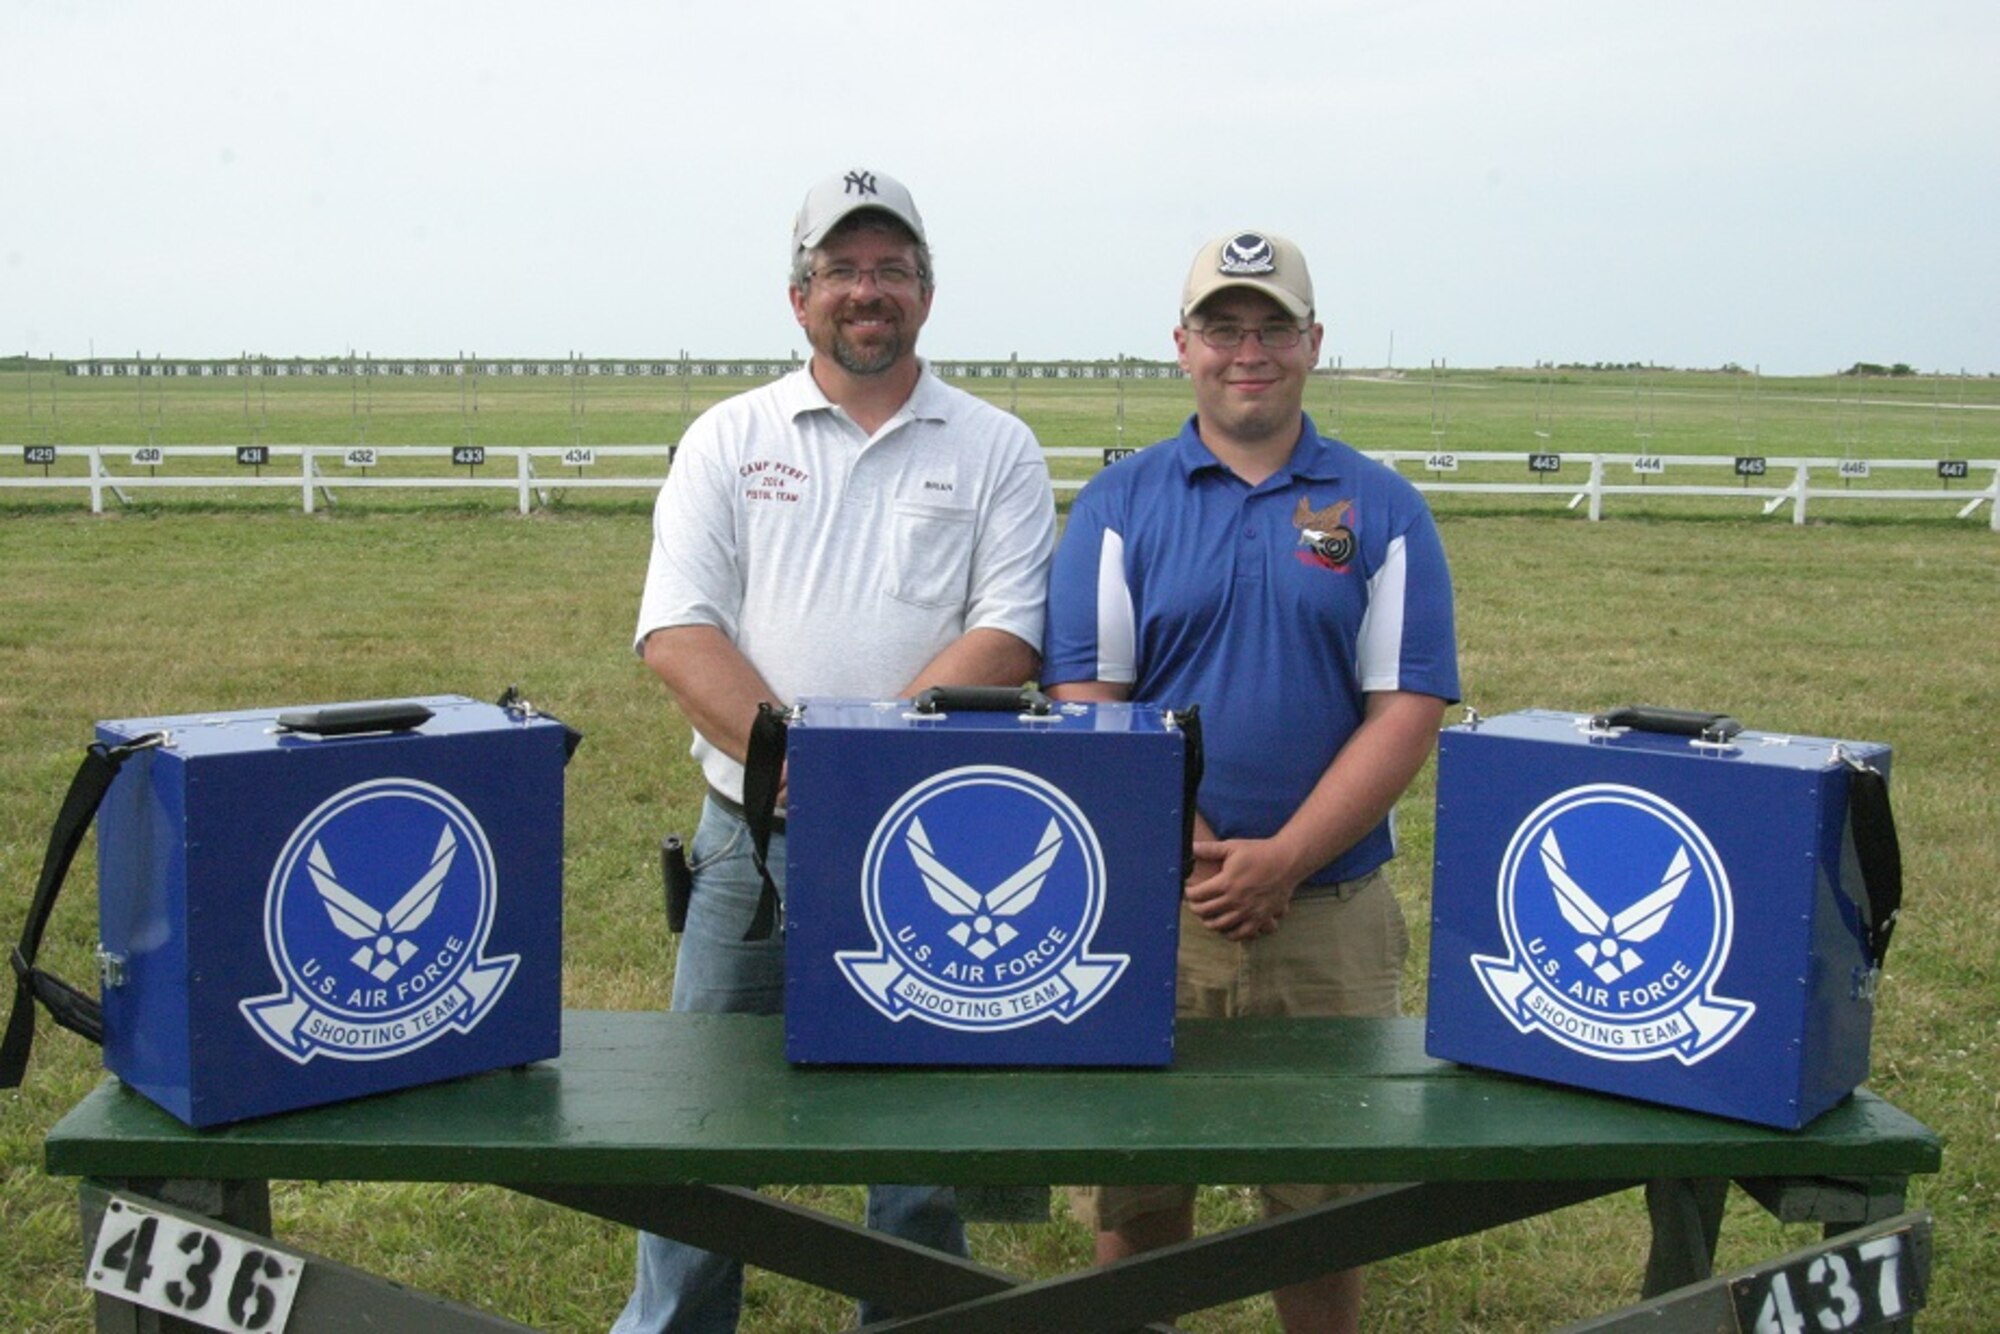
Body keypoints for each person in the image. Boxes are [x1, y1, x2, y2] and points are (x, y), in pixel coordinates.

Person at [619, 169, 1057, 1333]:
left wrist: (859, 775)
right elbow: (676, 629)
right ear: (797, 294)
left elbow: (1007, 632)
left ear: (925, 291)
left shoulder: (996, 446)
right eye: (843, 271)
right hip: (745, 854)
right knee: (701, 1133)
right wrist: (798, 770)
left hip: (927, 853)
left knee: (918, 1146)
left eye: (891, 270)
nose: (868, 292)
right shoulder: (729, 437)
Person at [1040, 230, 1459, 1334]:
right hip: (1151, 910)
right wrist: (1185, 843)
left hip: (1329, 912)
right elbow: (1088, 694)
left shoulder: (1380, 506)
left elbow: (1404, 704)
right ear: (1180, 346)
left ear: (1312, 343)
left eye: (1272, 326)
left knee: (1318, 1211)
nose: (1248, 350)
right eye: (1222, 327)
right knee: (1137, 1196)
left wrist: (1285, 856)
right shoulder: (1118, 506)